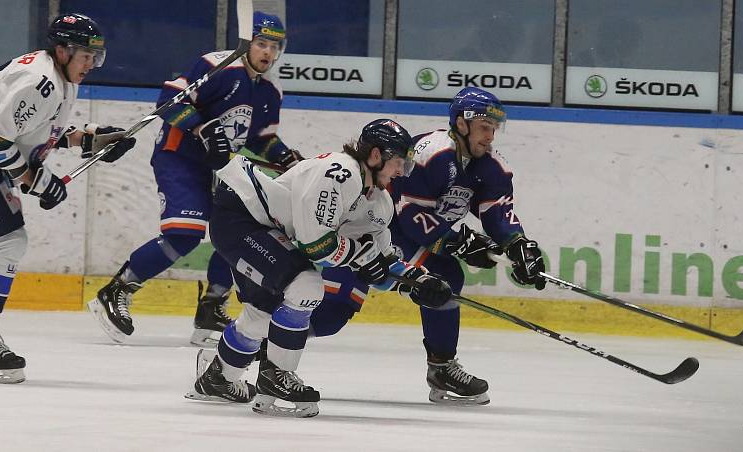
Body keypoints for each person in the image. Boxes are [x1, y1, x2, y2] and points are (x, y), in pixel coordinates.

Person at [184, 119, 452, 418]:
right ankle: (277, 376)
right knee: (306, 285)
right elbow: (316, 246)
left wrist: (416, 282)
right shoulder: (340, 173)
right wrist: (363, 258)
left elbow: (383, 261)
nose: (401, 172)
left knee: (263, 314)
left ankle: (219, 379)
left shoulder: (379, 203)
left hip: (266, 230)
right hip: (240, 217)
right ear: (376, 155)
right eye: (399, 162)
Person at [305, 87, 547, 405]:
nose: (490, 137)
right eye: (485, 127)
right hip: (369, 234)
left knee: (446, 279)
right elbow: (410, 217)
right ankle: (260, 338)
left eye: (494, 129)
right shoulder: (430, 154)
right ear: (462, 124)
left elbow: (498, 212)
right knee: (327, 318)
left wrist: (516, 244)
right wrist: (457, 242)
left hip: (399, 238)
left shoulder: (491, 166)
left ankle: (442, 367)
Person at [88, 12, 302, 346]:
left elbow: (260, 138)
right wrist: (201, 126)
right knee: (184, 233)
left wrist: (286, 156)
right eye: (261, 43)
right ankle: (117, 289)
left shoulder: (271, 90)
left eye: (275, 47)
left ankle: (212, 307)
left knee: (236, 233)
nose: (268, 53)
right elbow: (168, 103)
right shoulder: (217, 66)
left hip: (222, 167)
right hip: (180, 156)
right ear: (247, 42)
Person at [0, 13, 136, 383]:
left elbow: (34, 129)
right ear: (63, 49)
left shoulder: (59, 75)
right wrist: (32, 178)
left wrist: (88, 138)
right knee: (6, 243)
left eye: (96, 58)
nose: (91, 65)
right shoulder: (41, 80)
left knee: (1, 243)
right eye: (86, 56)